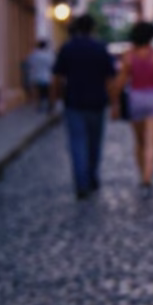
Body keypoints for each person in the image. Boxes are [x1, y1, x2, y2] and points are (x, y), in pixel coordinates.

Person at [52, 15, 116, 199]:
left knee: (77, 143)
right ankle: (92, 176)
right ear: (93, 29)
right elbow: (110, 78)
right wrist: (114, 103)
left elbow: (57, 77)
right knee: (94, 143)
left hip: (73, 102)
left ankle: (81, 183)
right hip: (97, 103)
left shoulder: (67, 48)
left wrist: (55, 98)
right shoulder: (100, 48)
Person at [113, 22, 153, 198]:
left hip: (136, 98)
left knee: (139, 141)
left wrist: (115, 103)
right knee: (152, 142)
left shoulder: (128, 57)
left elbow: (120, 83)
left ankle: (141, 175)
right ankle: (148, 178)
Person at [25, 39, 56, 113]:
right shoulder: (49, 55)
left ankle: (39, 106)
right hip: (46, 76)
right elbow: (52, 66)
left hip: (35, 76)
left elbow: (29, 65)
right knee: (48, 92)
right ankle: (50, 106)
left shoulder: (33, 55)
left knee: (37, 92)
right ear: (46, 46)